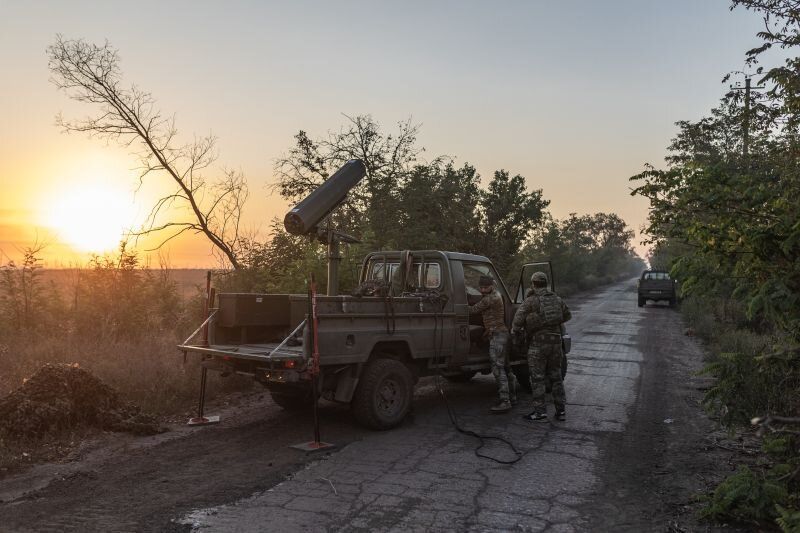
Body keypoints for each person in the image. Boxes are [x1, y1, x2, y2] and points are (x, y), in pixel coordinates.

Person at [511, 271, 571, 422]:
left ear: (533, 284)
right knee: (556, 377)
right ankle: (561, 411)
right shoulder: (556, 299)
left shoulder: (531, 300)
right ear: (546, 283)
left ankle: (540, 412)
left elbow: (517, 320)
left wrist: (518, 331)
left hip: (538, 344)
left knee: (537, 378)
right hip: (556, 343)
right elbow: (567, 315)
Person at [469, 275, 518, 413]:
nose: (483, 289)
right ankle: (512, 398)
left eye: (486, 287)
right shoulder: (495, 295)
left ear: (492, 286)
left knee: (497, 368)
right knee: (507, 368)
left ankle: (505, 401)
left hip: (498, 336)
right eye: (481, 287)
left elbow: (473, 310)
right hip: (501, 335)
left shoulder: (491, 298)